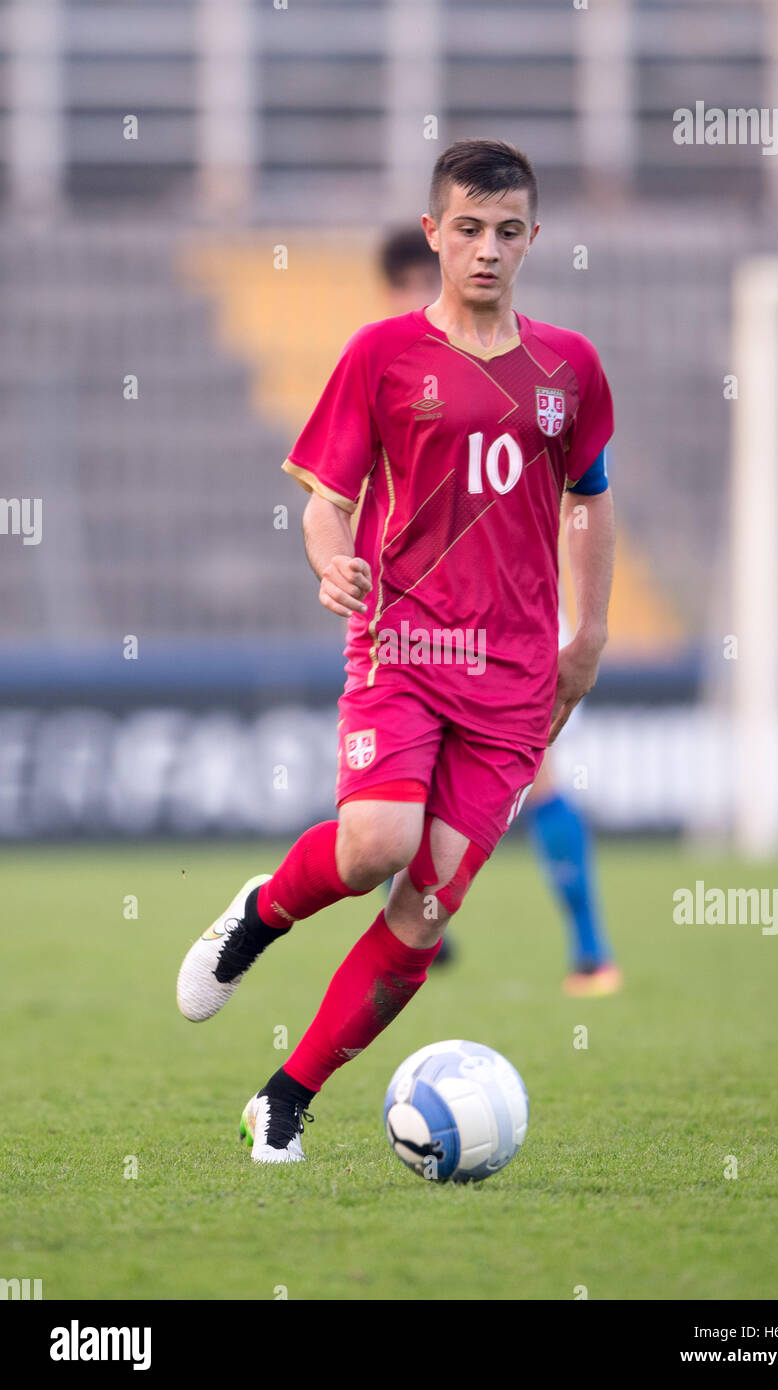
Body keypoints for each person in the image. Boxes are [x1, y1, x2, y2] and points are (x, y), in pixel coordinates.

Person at [176, 138, 616, 1163]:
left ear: (532, 240)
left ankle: (284, 1096)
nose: (486, 250)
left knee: (420, 915)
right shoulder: (380, 356)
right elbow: (326, 505)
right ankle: (259, 916)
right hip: (404, 645)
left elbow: (591, 506)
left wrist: (584, 637)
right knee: (374, 844)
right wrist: (333, 564)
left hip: (513, 683)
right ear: (435, 233)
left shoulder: (571, 369)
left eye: (507, 232)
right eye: (467, 230)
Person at [377, 226, 621, 996]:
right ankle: (424, 928)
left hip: (501, 617)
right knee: (396, 797)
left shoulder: (521, 374)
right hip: (412, 622)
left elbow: (583, 487)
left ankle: (588, 949)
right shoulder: (388, 371)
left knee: (533, 780)